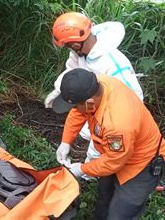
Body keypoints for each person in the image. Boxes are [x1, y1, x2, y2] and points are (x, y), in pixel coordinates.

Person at [57, 68, 165, 219]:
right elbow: (79, 111)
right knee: (105, 197)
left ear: (89, 101)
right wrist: (66, 142)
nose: (74, 109)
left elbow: (113, 162)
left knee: (120, 214)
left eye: (75, 105)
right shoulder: (97, 85)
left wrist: (82, 169)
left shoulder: (117, 122)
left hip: (141, 164)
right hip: (115, 154)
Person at [45, 12, 143, 174]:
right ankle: (91, 171)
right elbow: (73, 71)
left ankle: (93, 172)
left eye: (69, 46)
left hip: (117, 114)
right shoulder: (81, 51)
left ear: (75, 44)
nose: (70, 50)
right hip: (94, 106)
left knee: (105, 147)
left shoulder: (112, 64)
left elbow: (133, 100)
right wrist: (59, 90)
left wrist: (101, 125)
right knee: (95, 141)